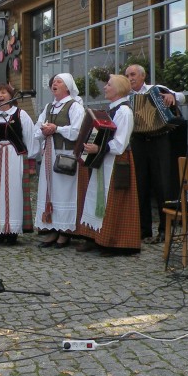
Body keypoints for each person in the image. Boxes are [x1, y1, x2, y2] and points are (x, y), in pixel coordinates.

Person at [75, 74, 140, 255]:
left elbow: (120, 144)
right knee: (97, 197)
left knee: (114, 200)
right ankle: (96, 236)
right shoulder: (113, 109)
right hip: (104, 159)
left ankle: (115, 241)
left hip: (118, 162)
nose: (105, 87)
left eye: (109, 85)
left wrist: (98, 148)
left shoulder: (124, 112)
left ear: (118, 88)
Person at [125, 64, 186, 243]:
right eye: (127, 75)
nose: (130, 78)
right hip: (138, 141)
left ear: (143, 76)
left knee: (162, 184)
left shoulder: (156, 89)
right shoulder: (126, 97)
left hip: (159, 140)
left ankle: (164, 229)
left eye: (133, 74)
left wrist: (171, 96)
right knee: (140, 184)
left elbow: (183, 96)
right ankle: (144, 230)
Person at [0, 83, 38, 245]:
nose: (0, 96)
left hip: (15, 157)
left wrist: (31, 161)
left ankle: (12, 230)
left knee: (14, 191)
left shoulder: (21, 114)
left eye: (3, 92)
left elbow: (30, 137)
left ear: (10, 95)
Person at [34, 73, 85, 248]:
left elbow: (78, 131)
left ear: (67, 86)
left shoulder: (75, 106)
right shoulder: (49, 107)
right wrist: (44, 130)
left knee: (64, 192)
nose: (54, 84)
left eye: (58, 82)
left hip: (66, 154)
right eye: (53, 82)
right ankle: (52, 229)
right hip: (50, 154)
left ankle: (65, 231)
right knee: (51, 191)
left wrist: (56, 129)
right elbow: (36, 130)